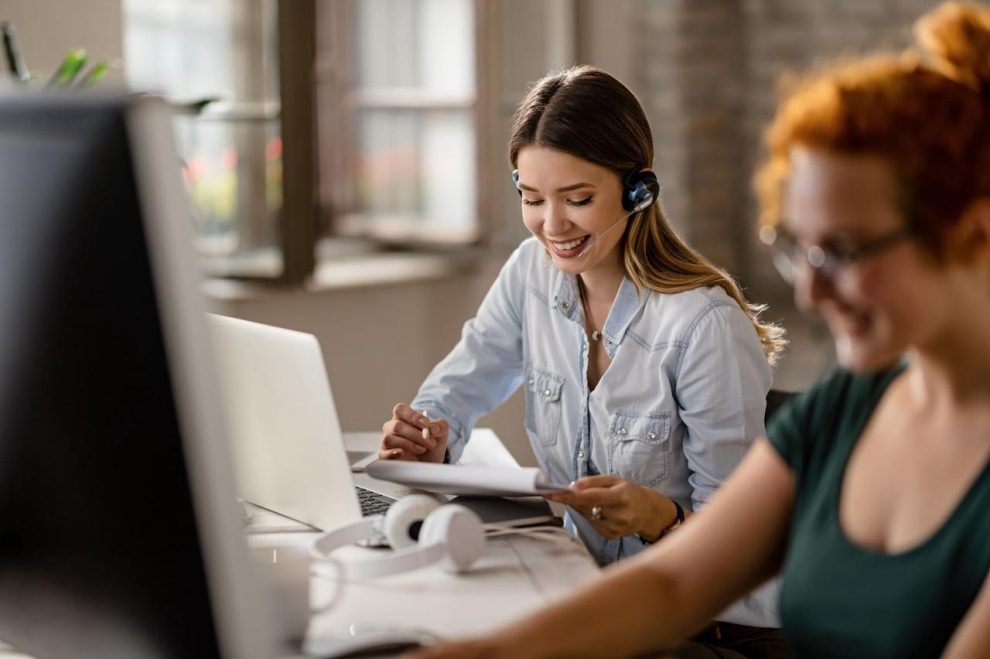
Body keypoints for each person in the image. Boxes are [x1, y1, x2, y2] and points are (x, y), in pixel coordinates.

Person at [404, 2, 990, 658]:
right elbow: (674, 582)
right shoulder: (842, 410)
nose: (809, 291)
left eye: (846, 251)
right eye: (799, 248)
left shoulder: (707, 326)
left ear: (973, 237)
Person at [378, 66, 787, 649]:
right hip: (590, 591)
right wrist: (430, 434)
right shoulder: (530, 274)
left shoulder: (703, 326)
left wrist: (658, 519)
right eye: (531, 198)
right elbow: (463, 381)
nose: (552, 225)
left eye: (577, 199)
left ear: (638, 190)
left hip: (707, 626)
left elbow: (738, 552)